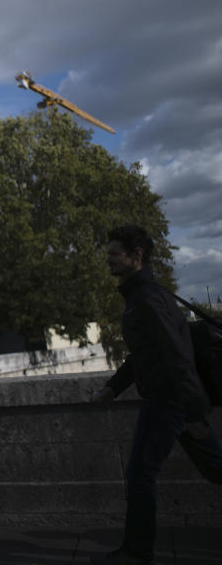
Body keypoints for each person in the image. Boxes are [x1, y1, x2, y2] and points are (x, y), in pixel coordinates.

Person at [91, 225, 222, 565]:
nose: (109, 261)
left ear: (136, 257)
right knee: (216, 469)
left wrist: (193, 413)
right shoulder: (141, 296)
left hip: (169, 402)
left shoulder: (148, 299)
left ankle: (137, 552)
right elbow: (145, 353)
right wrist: (113, 387)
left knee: (139, 475)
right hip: (173, 401)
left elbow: (178, 357)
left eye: (114, 255)